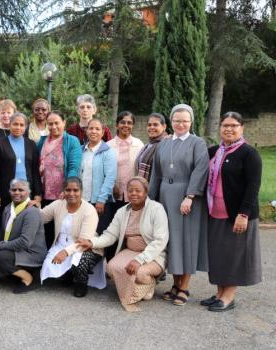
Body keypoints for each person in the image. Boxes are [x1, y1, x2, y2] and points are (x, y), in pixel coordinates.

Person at [201, 112, 262, 312]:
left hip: (237, 214)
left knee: (234, 256)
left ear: (242, 128)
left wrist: (243, 214)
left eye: (234, 125)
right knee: (218, 255)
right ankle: (219, 293)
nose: (229, 129)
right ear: (219, 128)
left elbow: (253, 186)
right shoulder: (213, 152)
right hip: (214, 212)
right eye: (225, 125)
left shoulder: (249, 153)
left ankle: (228, 296)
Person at [78, 177, 169, 312]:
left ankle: (148, 283)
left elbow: (160, 240)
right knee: (112, 267)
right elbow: (110, 235)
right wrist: (92, 242)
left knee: (139, 273)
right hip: (131, 251)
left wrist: (140, 260)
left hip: (153, 254)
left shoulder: (156, 208)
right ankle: (139, 288)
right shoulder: (122, 211)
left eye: (138, 191)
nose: (133, 193)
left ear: (145, 192)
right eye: (130, 190)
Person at [149, 103, 209, 306]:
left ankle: (184, 287)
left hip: (186, 199)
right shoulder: (164, 144)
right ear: (171, 122)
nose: (180, 124)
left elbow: (201, 170)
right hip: (166, 196)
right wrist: (151, 199)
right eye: (177, 120)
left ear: (191, 122)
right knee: (171, 241)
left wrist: (190, 196)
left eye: (184, 120)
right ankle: (175, 284)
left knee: (186, 241)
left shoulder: (197, 143)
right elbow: (156, 173)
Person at [40, 177, 103, 297]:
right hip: (61, 245)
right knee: (49, 266)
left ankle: (81, 284)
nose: (71, 193)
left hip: (85, 247)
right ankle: (68, 275)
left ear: (82, 192)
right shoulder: (58, 204)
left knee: (80, 262)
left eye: (75, 190)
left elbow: (84, 242)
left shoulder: (89, 210)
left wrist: (65, 252)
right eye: (68, 190)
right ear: (63, 191)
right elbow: (41, 217)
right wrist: (31, 205)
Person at [0, 179, 47, 294]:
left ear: (28, 192)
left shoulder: (32, 212)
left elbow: (25, 242)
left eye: (21, 190)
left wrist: (3, 246)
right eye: (14, 190)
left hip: (31, 253)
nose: (17, 192)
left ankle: (29, 278)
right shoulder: (8, 209)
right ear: (9, 191)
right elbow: (1, 234)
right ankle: (15, 274)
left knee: (1, 257)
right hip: (15, 250)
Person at [37, 111, 82, 247]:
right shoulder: (41, 141)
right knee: (46, 230)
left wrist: (67, 189)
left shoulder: (72, 141)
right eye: (50, 124)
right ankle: (46, 261)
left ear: (64, 123)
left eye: (57, 123)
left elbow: (74, 167)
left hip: (62, 195)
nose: (53, 126)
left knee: (62, 231)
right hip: (44, 194)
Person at [0, 112, 42, 214]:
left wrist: (38, 193)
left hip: (27, 192)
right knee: (8, 222)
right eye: (15, 124)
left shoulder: (31, 144)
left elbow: (35, 171)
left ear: (26, 127)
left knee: (25, 222)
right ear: (9, 125)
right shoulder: (0, 143)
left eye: (21, 125)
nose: (18, 127)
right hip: (7, 192)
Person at [79, 119, 117, 235]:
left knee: (97, 235)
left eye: (97, 129)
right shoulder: (80, 150)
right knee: (81, 233)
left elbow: (110, 178)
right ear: (86, 131)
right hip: (81, 201)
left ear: (102, 133)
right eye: (91, 128)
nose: (93, 131)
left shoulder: (108, 152)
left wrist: (101, 200)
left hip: (100, 203)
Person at [107, 111, 144, 211]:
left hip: (133, 194)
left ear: (133, 125)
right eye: (122, 122)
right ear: (117, 125)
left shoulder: (139, 145)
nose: (126, 125)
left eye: (129, 123)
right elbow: (104, 170)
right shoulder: (108, 146)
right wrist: (112, 185)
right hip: (113, 194)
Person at [134, 113, 169, 181]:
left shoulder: (166, 145)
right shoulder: (146, 147)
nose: (151, 127)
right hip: (142, 188)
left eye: (155, 124)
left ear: (164, 127)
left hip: (157, 188)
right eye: (149, 125)